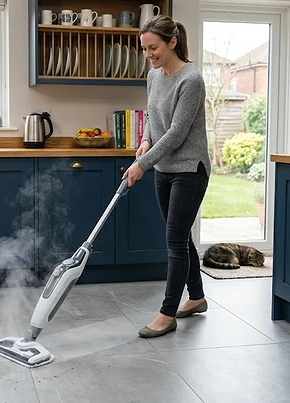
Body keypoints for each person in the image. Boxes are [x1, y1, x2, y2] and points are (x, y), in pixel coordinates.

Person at [122, 14, 211, 338]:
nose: (149, 55)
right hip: (164, 168)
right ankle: (197, 297)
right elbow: (154, 121)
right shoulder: (154, 75)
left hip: (190, 169)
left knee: (174, 240)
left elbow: (176, 133)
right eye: (144, 49)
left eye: (153, 47)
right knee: (181, 236)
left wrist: (142, 163)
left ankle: (167, 313)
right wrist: (144, 141)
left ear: (172, 42)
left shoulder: (191, 80)